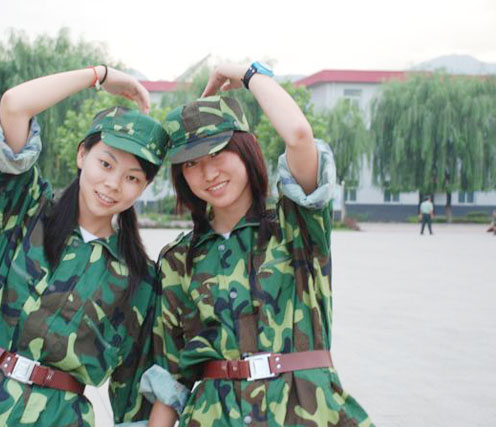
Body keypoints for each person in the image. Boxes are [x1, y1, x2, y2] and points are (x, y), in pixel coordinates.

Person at [0, 65, 168, 426]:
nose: (113, 184)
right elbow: (15, 105)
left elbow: (133, 395)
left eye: (132, 178)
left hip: (57, 417)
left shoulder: (140, 279)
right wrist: (99, 75)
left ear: (143, 188)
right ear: (82, 155)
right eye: (106, 164)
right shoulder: (26, 209)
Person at [140, 63, 373, 426]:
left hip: (305, 411)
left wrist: (248, 74)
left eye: (218, 153)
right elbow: (171, 376)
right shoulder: (179, 259)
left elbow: (299, 135)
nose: (208, 173)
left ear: (246, 149)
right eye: (191, 163)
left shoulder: (295, 226)